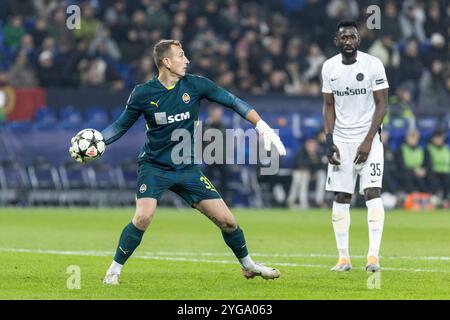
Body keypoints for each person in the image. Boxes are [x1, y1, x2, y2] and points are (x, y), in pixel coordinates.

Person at [69, 39, 286, 285]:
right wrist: (99, 141)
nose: (187, 60)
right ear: (166, 62)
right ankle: (113, 271)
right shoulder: (143, 93)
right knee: (143, 217)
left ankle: (248, 266)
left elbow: (233, 101)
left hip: (187, 168)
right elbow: (120, 126)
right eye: (181, 56)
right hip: (154, 167)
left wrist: (262, 126)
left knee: (228, 221)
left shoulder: (195, 85)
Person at [321, 21, 389, 272]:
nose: (348, 41)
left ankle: (373, 256)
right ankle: (343, 258)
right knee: (342, 196)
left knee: (372, 192)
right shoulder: (329, 67)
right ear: (336, 41)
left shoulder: (373, 64)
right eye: (343, 37)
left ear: (358, 40)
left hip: (368, 138)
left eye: (352, 37)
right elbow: (328, 106)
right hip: (341, 140)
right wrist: (329, 140)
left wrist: (369, 140)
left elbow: (382, 105)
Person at [424, 130, 450, 206]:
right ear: (433, 139)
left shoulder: (446, 148)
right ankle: (436, 198)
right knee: (432, 176)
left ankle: (446, 199)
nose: (439, 140)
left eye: (440, 138)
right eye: (437, 138)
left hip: (447, 172)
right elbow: (428, 163)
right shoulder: (429, 149)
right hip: (434, 172)